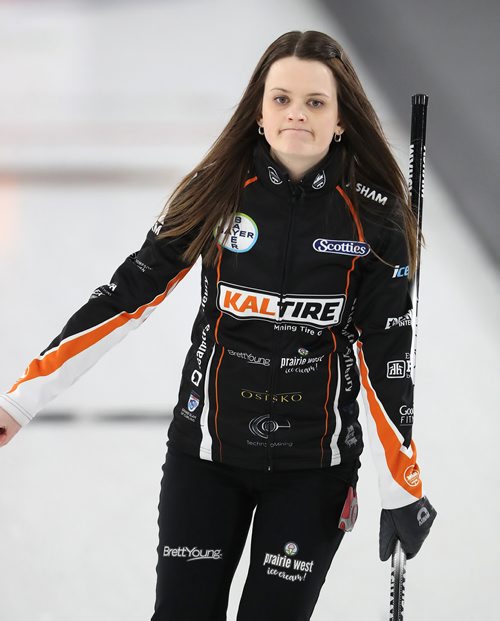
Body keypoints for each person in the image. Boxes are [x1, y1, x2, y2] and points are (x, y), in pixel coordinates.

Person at [0, 30, 436, 621]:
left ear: (340, 119)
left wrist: (402, 490)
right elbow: (124, 298)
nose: (296, 115)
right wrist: (23, 399)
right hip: (205, 458)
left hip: (313, 472)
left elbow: (389, 363)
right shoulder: (218, 195)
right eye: (281, 99)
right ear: (259, 111)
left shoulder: (375, 218)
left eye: (314, 102)